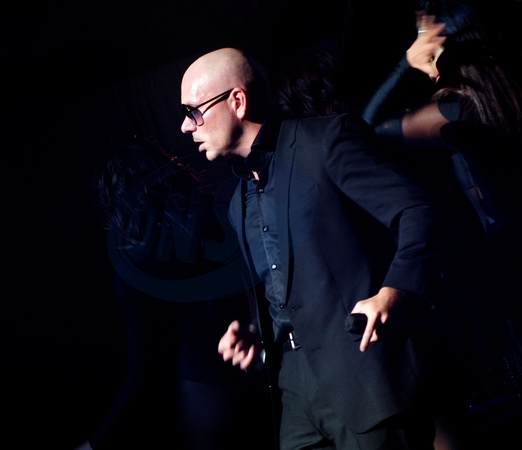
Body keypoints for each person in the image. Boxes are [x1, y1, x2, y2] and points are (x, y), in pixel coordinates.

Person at [179, 46, 451, 450]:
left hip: (367, 377)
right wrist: (255, 331)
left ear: (237, 101)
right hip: (296, 392)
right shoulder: (238, 201)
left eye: (193, 111)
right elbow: (287, 287)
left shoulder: (326, 141)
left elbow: (416, 211)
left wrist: (396, 290)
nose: (186, 127)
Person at [361, 0, 522, 445]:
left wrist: (404, 66)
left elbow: (365, 135)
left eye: (431, 50)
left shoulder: (456, 110)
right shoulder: (520, 94)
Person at [73, 136, 276, 450]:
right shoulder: (222, 214)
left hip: (207, 392)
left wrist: (95, 443)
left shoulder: (135, 264)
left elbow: (143, 373)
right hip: (263, 372)